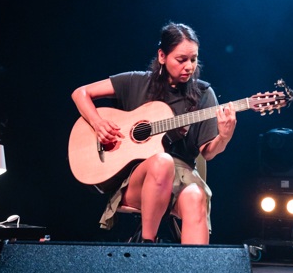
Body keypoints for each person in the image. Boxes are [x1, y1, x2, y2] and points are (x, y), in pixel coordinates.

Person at [71, 22, 236, 244]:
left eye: (194, 59)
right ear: (162, 56)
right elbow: (80, 93)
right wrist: (98, 123)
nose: (189, 66)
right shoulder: (136, 82)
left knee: (196, 195)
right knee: (162, 161)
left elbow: (208, 153)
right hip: (138, 181)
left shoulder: (204, 94)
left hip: (182, 179)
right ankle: (148, 247)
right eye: (181, 59)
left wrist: (224, 136)